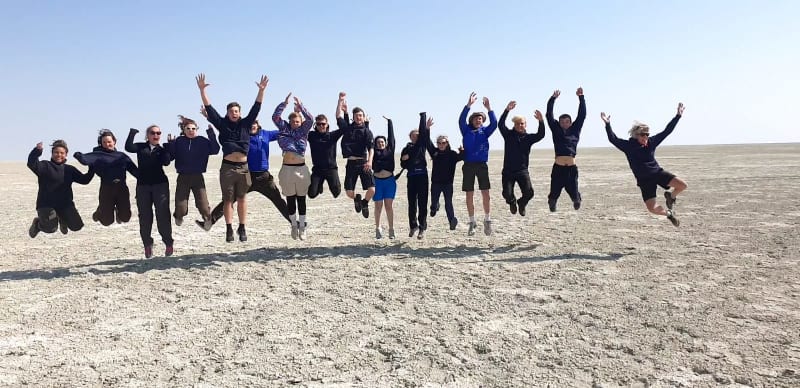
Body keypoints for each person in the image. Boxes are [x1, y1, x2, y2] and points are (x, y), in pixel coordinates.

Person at [196, 73, 269, 242]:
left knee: (242, 199)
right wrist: (202, 91)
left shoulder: (246, 123)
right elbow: (209, 109)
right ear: (227, 113)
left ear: (240, 113)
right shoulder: (222, 124)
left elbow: (256, 107)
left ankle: (242, 228)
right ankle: (229, 229)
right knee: (228, 200)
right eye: (231, 111)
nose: (234, 113)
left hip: (243, 168)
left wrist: (261, 90)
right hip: (228, 168)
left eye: (236, 111)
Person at [601, 103, 687, 227]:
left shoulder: (651, 142)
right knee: (652, 208)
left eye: (647, 134)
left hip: (658, 173)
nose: (646, 137)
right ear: (636, 135)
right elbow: (613, 139)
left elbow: (667, 131)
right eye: (643, 134)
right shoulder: (628, 146)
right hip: (644, 180)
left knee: (683, 185)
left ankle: (670, 196)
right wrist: (607, 124)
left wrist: (678, 116)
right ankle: (669, 214)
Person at [198, 118, 292, 230]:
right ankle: (208, 223)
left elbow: (284, 131)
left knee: (278, 200)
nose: (253, 126)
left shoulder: (265, 134)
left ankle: (294, 222)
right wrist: (211, 131)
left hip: (264, 177)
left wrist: (294, 120)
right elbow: (227, 132)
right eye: (251, 124)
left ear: (258, 125)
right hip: (246, 175)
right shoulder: (242, 136)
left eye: (255, 123)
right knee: (229, 199)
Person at [27, 140, 94, 238]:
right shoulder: (45, 166)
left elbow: (85, 180)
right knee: (51, 229)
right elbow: (31, 163)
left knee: (77, 226)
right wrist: (37, 151)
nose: (59, 155)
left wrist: (92, 166)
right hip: (46, 204)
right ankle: (38, 224)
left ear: (66, 154)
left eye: (62, 153)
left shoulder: (69, 169)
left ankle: (63, 218)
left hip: (65, 204)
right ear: (52, 153)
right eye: (56, 152)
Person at [73, 129, 138, 226]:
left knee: (125, 218)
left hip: (122, 188)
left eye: (109, 142)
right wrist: (78, 155)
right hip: (107, 189)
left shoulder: (122, 156)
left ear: (114, 142)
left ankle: (117, 211)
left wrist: (145, 177)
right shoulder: (98, 155)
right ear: (101, 143)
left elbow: (134, 171)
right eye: (104, 142)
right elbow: (85, 160)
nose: (107, 144)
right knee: (107, 222)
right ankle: (100, 211)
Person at [126, 126, 173, 258]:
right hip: (143, 186)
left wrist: (169, 147)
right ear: (148, 135)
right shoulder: (141, 147)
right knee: (145, 216)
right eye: (153, 133)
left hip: (160, 185)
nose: (156, 135)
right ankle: (147, 244)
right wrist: (133, 132)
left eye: (158, 133)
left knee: (163, 214)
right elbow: (128, 147)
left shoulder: (162, 150)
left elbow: (167, 162)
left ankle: (168, 243)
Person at [165, 116, 220, 230]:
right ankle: (178, 216)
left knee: (204, 206)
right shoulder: (179, 141)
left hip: (198, 177)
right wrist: (170, 144)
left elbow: (215, 149)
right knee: (181, 208)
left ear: (197, 129)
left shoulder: (202, 141)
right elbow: (170, 157)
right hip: (183, 178)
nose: (191, 131)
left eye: (193, 128)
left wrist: (211, 134)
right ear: (184, 130)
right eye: (188, 129)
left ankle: (206, 221)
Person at [272, 93, 314, 240]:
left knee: (301, 198)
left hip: (301, 169)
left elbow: (311, 119)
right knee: (290, 198)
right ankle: (293, 225)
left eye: (298, 121)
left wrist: (300, 107)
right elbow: (275, 117)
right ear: (289, 121)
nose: (296, 123)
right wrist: (284, 104)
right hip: (287, 169)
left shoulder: (304, 130)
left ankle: (302, 227)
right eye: (293, 121)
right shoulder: (284, 128)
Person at [458, 92, 498, 236]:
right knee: (469, 194)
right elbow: (461, 120)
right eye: (476, 118)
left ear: (482, 121)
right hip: (468, 165)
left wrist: (489, 108)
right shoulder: (466, 130)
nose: (478, 120)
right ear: (472, 120)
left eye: (480, 118)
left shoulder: (485, 132)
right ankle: (472, 222)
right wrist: (468, 105)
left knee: (485, 193)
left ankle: (487, 220)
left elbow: (494, 124)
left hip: (481, 165)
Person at [499, 101, 546, 216]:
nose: (520, 125)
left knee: (529, 193)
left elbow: (540, 135)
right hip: (508, 171)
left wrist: (541, 121)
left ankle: (521, 203)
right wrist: (507, 110)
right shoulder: (508, 135)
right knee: (507, 194)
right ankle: (512, 202)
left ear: (525, 125)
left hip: (522, 171)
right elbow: (500, 124)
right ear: (514, 125)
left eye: (522, 123)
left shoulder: (528, 138)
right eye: (518, 124)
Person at [545, 87, 586, 212]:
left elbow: (582, 115)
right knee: (554, 192)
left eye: (567, 122)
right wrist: (553, 99)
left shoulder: (575, 130)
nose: (564, 124)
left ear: (571, 122)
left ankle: (577, 198)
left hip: (571, 169)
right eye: (562, 122)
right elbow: (549, 114)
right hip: (558, 168)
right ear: (559, 123)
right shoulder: (556, 130)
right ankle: (552, 202)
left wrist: (581, 97)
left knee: (574, 193)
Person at [336, 92, 374, 218]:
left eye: (361, 116)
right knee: (349, 193)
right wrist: (340, 101)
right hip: (351, 163)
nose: (359, 118)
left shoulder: (367, 132)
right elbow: (338, 115)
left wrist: (370, 161)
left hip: (364, 163)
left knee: (372, 190)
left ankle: (364, 203)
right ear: (353, 117)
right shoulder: (348, 128)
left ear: (363, 117)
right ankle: (357, 198)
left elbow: (371, 148)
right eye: (357, 116)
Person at [400, 112, 433, 239]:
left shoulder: (421, 145)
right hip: (412, 177)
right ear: (410, 137)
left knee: (422, 203)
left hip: (422, 176)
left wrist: (423, 120)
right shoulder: (406, 148)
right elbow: (402, 165)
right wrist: (404, 158)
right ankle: (413, 226)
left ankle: (422, 227)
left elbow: (424, 135)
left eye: (417, 135)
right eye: (413, 136)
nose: (415, 137)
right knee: (412, 203)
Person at [427, 133, 463, 231]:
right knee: (434, 202)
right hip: (436, 183)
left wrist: (462, 151)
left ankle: (452, 221)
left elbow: (462, 157)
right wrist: (427, 128)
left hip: (448, 184)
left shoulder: (452, 154)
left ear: (447, 143)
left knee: (448, 203)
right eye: (439, 143)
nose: (441, 145)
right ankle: (434, 207)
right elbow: (427, 141)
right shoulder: (434, 153)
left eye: (443, 143)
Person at [371, 116, 398, 239]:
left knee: (388, 206)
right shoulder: (373, 152)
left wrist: (390, 123)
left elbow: (391, 138)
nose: (380, 144)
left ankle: (391, 229)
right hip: (377, 181)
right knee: (378, 206)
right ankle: (378, 228)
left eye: (382, 142)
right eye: (378, 142)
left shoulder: (390, 149)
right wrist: (366, 123)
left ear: (385, 143)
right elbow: (369, 141)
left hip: (389, 182)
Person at [307, 113, 343, 199]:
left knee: (336, 193)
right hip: (318, 169)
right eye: (318, 124)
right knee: (311, 194)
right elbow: (301, 129)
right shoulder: (312, 135)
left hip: (331, 169)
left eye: (323, 124)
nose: (321, 126)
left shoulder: (332, 136)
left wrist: (342, 109)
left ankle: (326, 183)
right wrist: (298, 111)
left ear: (327, 125)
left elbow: (344, 128)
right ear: (315, 125)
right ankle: (319, 185)